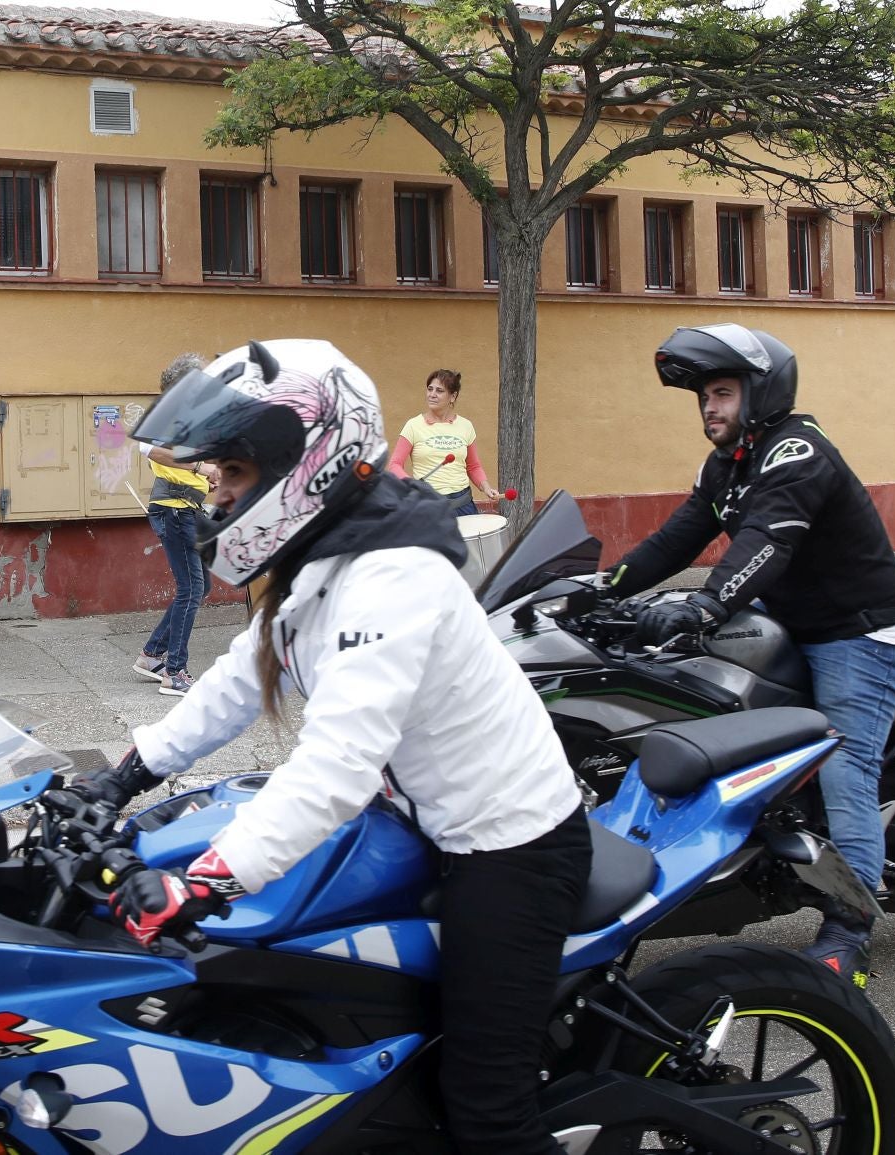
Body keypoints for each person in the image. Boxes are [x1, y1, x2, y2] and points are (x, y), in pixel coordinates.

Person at [69, 339, 588, 1153]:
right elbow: (243, 676)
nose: (215, 492)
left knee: (487, 1111)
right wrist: (124, 773)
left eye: (231, 473)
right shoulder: (322, 559)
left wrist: (203, 882)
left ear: (305, 463)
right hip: (415, 819)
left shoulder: (392, 575)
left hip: (507, 841)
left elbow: (337, 763)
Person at [604, 322, 895, 985]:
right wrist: (599, 591)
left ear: (761, 390)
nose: (709, 408)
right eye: (703, 397)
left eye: (722, 392)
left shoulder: (797, 451)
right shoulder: (726, 465)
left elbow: (766, 541)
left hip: (858, 636)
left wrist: (705, 606)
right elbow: (674, 541)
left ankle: (849, 930)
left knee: (843, 764)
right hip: (792, 626)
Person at [130, 353, 219, 697]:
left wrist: (207, 477)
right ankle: (174, 671)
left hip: (187, 506)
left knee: (201, 585)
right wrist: (199, 470)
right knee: (191, 588)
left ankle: (152, 655)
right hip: (174, 508)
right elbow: (149, 450)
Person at [387, 369, 503, 515]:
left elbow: (473, 466)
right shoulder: (413, 425)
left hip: (463, 505)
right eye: (430, 389)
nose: (432, 394)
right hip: (427, 505)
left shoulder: (466, 426)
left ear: (452, 396)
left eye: (439, 391)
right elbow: (394, 465)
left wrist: (486, 487)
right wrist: (412, 485)